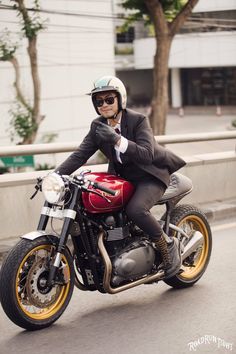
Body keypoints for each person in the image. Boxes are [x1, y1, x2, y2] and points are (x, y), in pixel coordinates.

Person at [56, 75, 186, 278]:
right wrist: (54, 175)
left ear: (120, 99)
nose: (104, 105)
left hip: (150, 176)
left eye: (109, 99)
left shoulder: (138, 120)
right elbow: (80, 155)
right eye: (99, 101)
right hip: (123, 178)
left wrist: (117, 139)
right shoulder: (98, 126)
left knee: (136, 209)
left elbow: (146, 154)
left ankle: (167, 246)